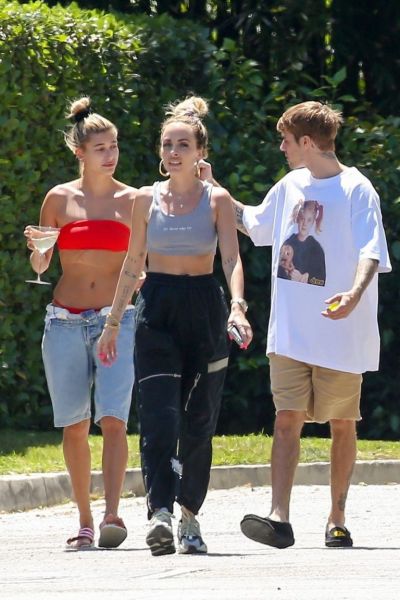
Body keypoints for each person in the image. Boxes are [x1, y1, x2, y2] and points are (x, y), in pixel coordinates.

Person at [229, 101, 391, 549]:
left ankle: (337, 517)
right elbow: (254, 224)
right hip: (290, 334)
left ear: (306, 141)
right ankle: (278, 517)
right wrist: (213, 190)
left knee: (342, 423)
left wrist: (354, 294)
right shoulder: (289, 185)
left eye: (286, 140)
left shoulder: (357, 189)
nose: (281, 148)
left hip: (340, 334)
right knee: (286, 419)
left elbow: (371, 251)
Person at [97, 96, 253, 556]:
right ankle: (160, 513)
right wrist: (112, 323)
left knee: (199, 420)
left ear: (200, 151)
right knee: (160, 416)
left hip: (205, 307)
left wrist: (238, 306)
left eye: (183, 145)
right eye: (167, 145)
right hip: (157, 309)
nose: (173, 152)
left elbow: (231, 259)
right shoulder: (145, 199)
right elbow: (133, 263)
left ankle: (189, 515)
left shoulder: (217, 199)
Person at [25, 97, 137, 550]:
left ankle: (112, 513)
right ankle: (85, 520)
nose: (110, 155)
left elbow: (142, 262)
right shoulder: (58, 198)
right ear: (80, 152)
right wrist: (38, 248)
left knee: (113, 419)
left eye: (114, 146)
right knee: (74, 424)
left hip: (116, 321)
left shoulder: (134, 200)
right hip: (64, 321)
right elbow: (41, 263)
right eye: (100, 148)